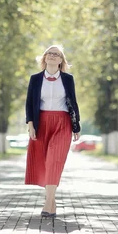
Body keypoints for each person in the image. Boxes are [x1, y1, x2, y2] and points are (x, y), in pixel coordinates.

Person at [25, 45, 81, 218]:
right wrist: (30, 124)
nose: (52, 56)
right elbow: (29, 103)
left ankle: (48, 202)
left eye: (56, 54)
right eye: (49, 53)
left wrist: (76, 125)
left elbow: (73, 101)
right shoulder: (35, 79)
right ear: (44, 58)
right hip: (41, 122)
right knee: (43, 161)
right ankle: (52, 201)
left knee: (54, 161)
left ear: (61, 60)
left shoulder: (67, 79)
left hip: (62, 123)